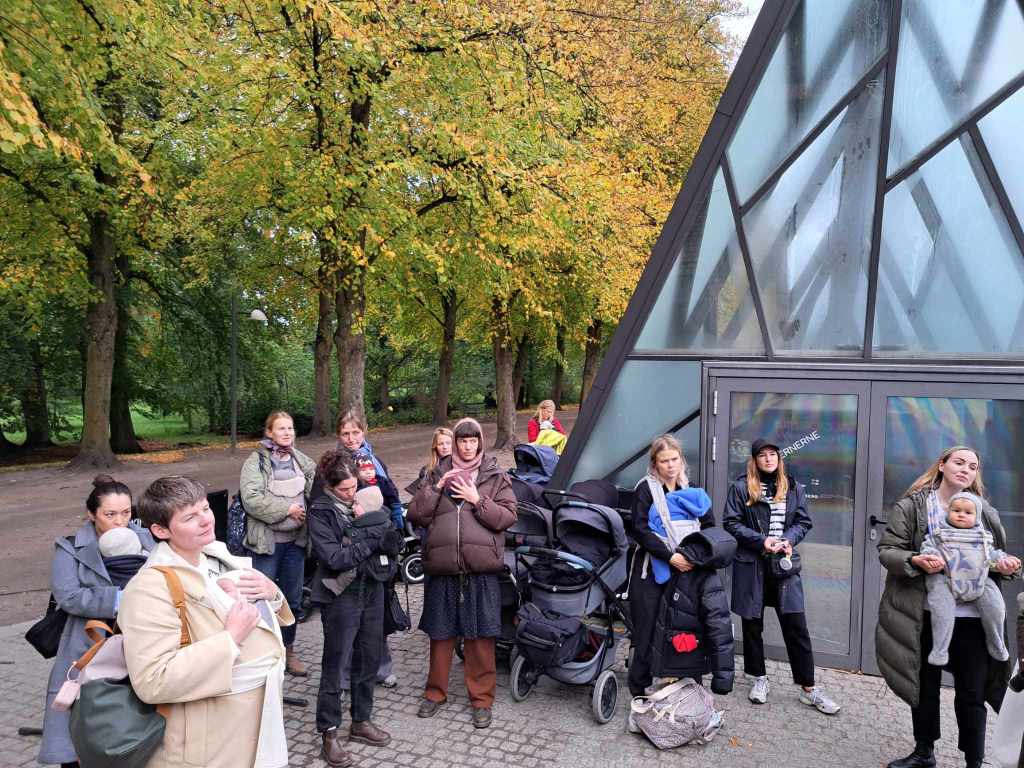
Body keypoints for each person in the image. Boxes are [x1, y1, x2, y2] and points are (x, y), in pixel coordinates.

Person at [119, 475, 292, 768]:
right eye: (189, 517)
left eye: (205, 508)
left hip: (255, 718)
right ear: (160, 530)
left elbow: (252, 617)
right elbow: (152, 681)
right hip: (210, 737)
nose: (205, 520)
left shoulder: (216, 556)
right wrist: (230, 638)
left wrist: (271, 594)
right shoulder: (149, 587)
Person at [877, 446, 1021, 768]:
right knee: (924, 688)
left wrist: (1008, 567)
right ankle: (924, 752)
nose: (966, 469)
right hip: (926, 614)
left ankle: (973, 761)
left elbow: (994, 556)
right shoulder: (913, 506)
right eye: (959, 462)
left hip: (974, 620)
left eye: (973, 466)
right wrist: (915, 559)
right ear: (942, 465)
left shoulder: (984, 511)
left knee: (972, 693)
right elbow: (888, 550)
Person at [38, 475, 155, 768]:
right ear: (92, 514)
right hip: (87, 646)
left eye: (126, 512)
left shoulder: (146, 539)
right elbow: (69, 596)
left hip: (138, 643)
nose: (120, 521)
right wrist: (120, 599)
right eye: (110, 514)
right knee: (82, 723)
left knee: (134, 718)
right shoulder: (69, 547)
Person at [408, 417, 517, 729]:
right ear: (454, 442)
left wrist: (477, 500)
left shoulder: (495, 475)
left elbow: (508, 516)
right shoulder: (436, 473)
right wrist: (437, 488)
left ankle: (481, 699)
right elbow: (415, 514)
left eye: (473, 440)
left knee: (480, 637)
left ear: (480, 442)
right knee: (441, 634)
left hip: (480, 569)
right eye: (462, 440)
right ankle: (435, 693)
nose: (468, 447)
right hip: (443, 568)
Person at [722, 438, 840, 715]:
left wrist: (788, 539)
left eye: (772, 454)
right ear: (754, 460)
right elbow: (730, 522)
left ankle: (809, 688)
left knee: (796, 627)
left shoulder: (793, 486)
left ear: (779, 458)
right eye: (762, 455)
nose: (768, 459)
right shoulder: (741, 487)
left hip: (785, 568)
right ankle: (759, 679)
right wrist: (761, 540)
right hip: (752, 566)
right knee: (752, 626)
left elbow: (803, 521)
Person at [307, 451, 403, 768]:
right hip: (340, 596)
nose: (351, 493)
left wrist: (380, 535)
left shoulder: (361, 502)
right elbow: (335, 558)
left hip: (372, 589)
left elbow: (388, 534)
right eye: (344, 489)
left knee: (369, 658)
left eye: (354, 487)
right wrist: (373, 538)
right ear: (330, 486)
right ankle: (329, 733)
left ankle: (361, 720)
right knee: (336, 666)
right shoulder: (321, 511)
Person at [627, 435, 715, 698]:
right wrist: (669, 556)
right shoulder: (646, 489)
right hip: (651, 570)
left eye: (674, 459)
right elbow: (640, 529)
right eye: (664, 461)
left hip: (688, 570)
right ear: (654, 463)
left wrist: (693, 556)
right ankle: (639, 690)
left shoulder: (693, 490)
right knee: (646, 629)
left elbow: (709, 526)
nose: (670, 465)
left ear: (681, 459)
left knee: (686, 628)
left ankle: (688, 686)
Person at [239, 410, 316, 677]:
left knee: (292, 600)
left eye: (290, 428)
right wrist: (287, 510)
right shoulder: (255, 462)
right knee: (261, 601)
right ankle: (259, 654)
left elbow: (317, 488)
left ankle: (288, 652)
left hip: (296, 543)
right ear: (269, 432)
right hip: (267, 545)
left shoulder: (301, 460)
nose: (287, 433)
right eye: (281, 428)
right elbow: (251, 499)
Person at [920, 491, 1011, 666]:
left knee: (996, 606)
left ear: (977, 517)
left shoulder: (983, 537)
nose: (961, 515)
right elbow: (928, 549)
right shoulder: (938, 533)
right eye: (956, 511)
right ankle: (939, 650)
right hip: (946, 579)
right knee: (941, 609)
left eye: (968, 512)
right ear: (948, 512)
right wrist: (931, 558)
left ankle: (997, 643)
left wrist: (1003, 561)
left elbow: (991, 557)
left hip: (977, 580)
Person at [404, 427, 454, 497]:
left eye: (448, 443)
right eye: (440, 444)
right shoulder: (426, 470)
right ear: (435, 446)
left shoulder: (463, 467)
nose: (445, 447)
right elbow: (421, 496)